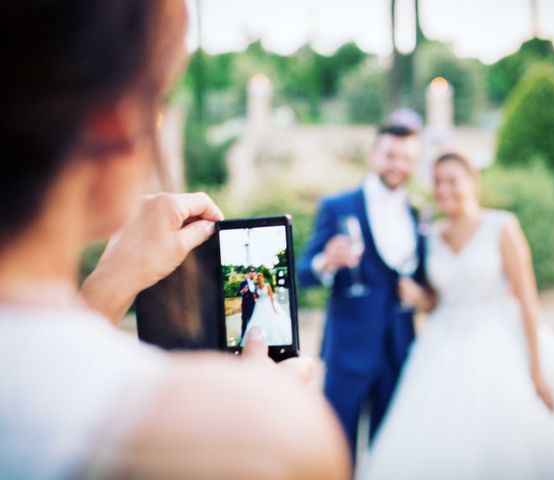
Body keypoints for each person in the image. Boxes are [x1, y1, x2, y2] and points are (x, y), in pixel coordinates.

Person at [0, 2, 350, 479]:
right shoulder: (255, 437)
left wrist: (107, 285)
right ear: (117, 125)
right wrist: (262, 403)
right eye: (158, 102)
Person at [361, 152, 554, 479]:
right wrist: (419, 297)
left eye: (452, 180)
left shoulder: (502, 226)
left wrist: (536, 370)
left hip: (499, 339)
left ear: (473, 183)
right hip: (441, 345)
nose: (443, 189)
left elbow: (527, 300)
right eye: (437, 182)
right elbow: (436, 299)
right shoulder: (432, 236)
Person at [298, 123, 426, 462]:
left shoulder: (417, 212)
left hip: (398, 352)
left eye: (407, 157)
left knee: (390, 455)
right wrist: (327, 261)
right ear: (374, 155)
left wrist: (418, 293)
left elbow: (424, 277)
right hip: (347, 353)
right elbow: (303, 272)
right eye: (391, 155)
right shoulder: (338, 206)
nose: (398, 164)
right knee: (336, 452)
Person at [241, 273, 292, 346]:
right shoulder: (257, 287)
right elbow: (256, 296)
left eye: (261, 278)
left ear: (263, 278)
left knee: (271, 319)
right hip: (259, 304)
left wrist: (273, 307)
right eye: (258, 278)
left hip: (267, 303)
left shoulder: (267, 285)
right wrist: (254, 297)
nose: (260, 279)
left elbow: (271, 297)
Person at [238, 267, 259, 339]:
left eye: (253, 273)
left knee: (252, 320)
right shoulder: (243, 283)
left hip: (253, 305)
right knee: (244, 320)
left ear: (254, 274)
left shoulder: (255, 284)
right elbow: (239, 293)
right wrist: (242, 291)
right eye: (250, 272)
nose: (252, 274)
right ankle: (243, 335)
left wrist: (256, 296)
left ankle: (251, 336)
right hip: (245, 305)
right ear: (248, 274)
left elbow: (257, 294)